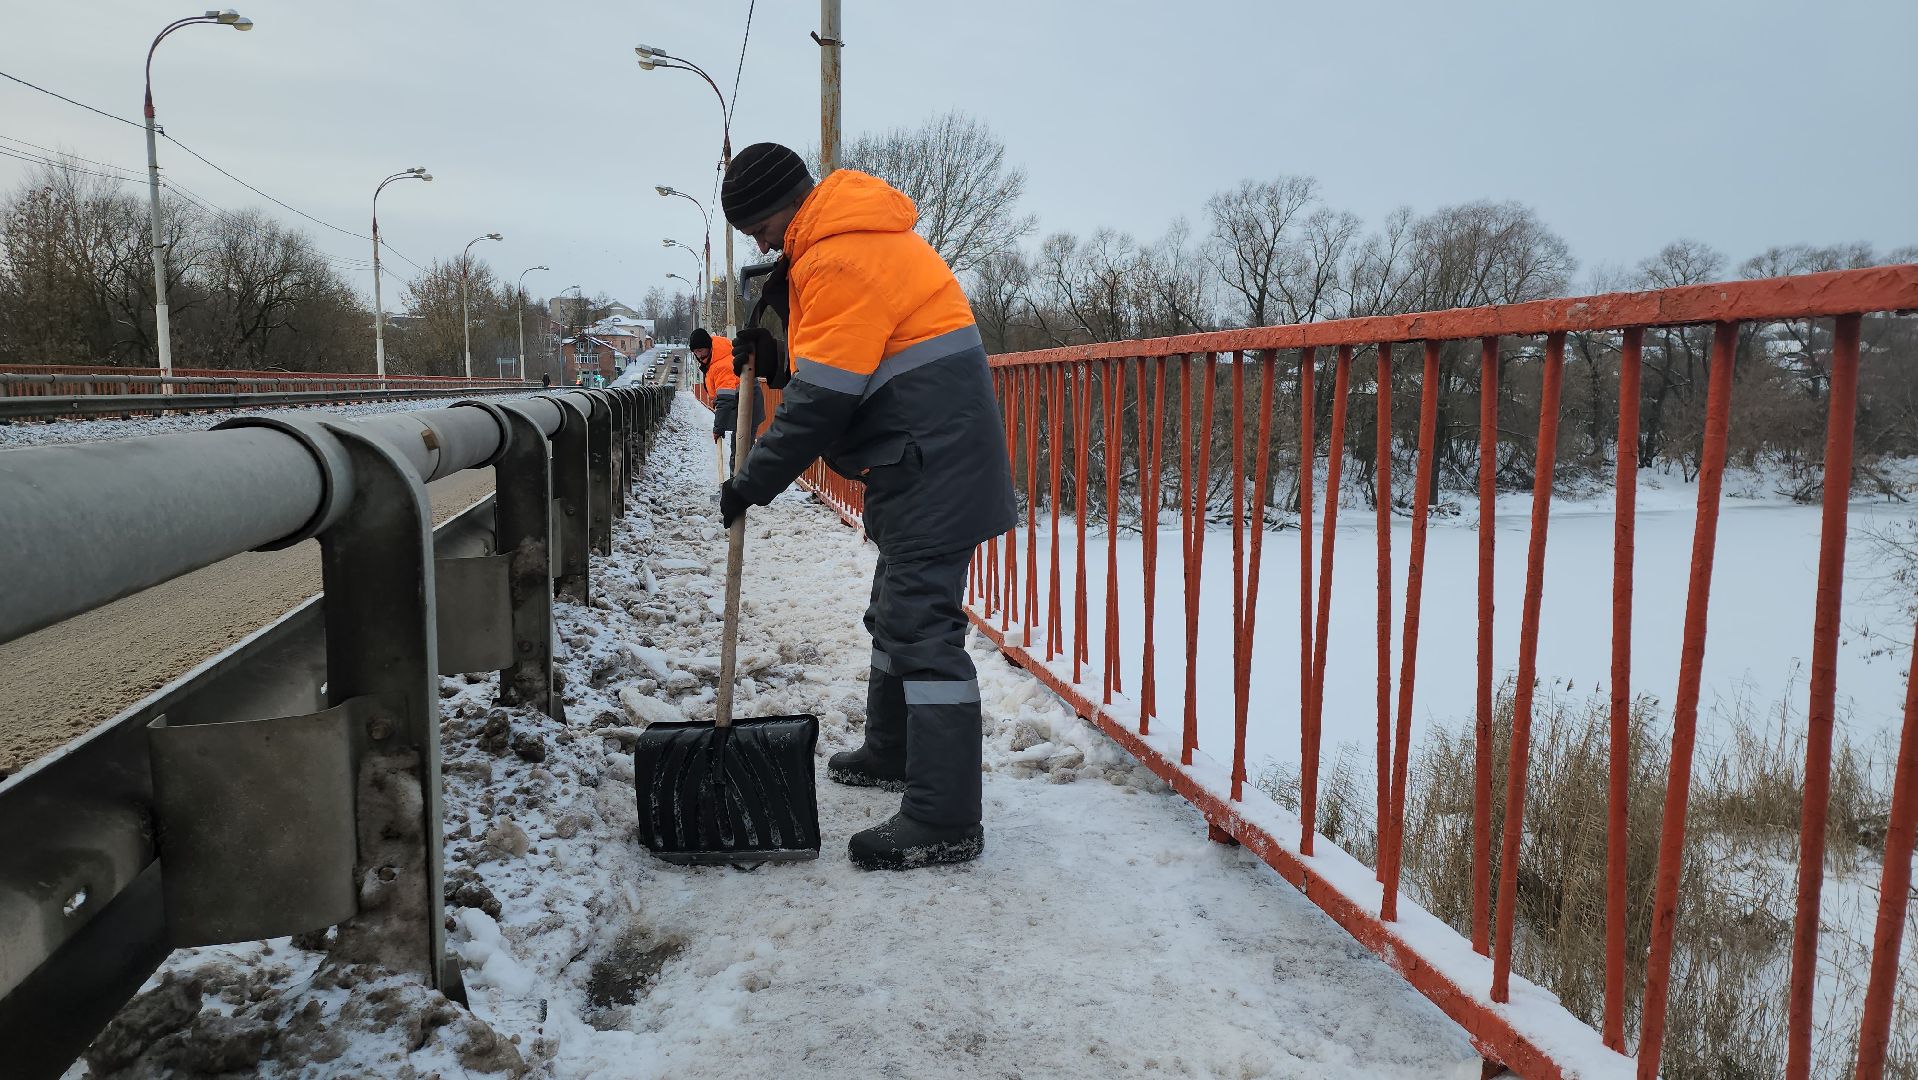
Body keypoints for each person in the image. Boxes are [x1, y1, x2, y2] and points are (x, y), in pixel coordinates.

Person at [715, 142, 1016, 871]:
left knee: (921, 628)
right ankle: (891, 750)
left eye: (758, 227)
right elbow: (847, 362)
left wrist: (750, 479)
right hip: (917, 455)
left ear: (785, 206)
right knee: (894, 611)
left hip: (932, 460)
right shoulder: (846, 242)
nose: (759, 243)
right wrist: (779, 361)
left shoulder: (838, 256)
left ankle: (946, 819)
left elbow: (822, 404)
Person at [691, 327, 762, 453]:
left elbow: (725, 399)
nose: (699, 355)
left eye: (700, 351)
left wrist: (718, 428)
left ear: (708, 347)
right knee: (739, 451)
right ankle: (738, 472)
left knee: (742, 452)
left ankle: (741, 473)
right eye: (695, 352)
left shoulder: (722, 364)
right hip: (740, 405)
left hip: (748, 408)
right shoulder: (713, 358)